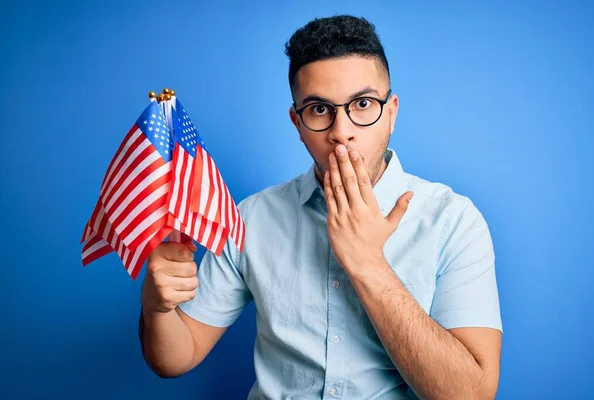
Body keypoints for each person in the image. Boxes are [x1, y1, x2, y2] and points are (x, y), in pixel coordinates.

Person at [138, 14, 503, 399]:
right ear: (297, 123)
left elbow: (471, 395)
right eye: (318, 109)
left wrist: (368, 264)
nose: (341, 130)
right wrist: (156, 308)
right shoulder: (251, 218)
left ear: (391, 113)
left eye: (363, 104)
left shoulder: (453, 221)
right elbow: (175, 358)